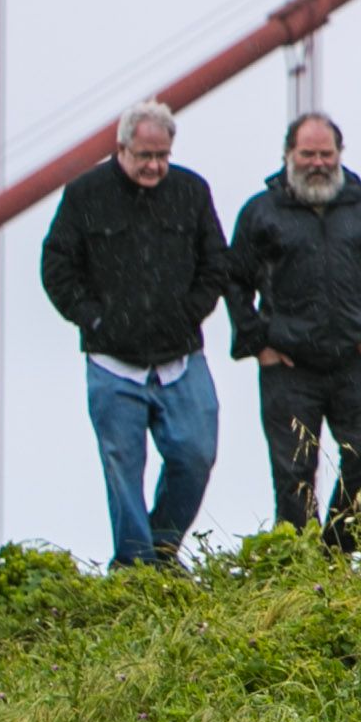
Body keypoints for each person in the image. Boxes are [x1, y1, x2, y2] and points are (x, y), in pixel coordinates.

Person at [36, 98, 227, 569]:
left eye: (162, 156)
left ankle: (160, 550)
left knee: (195, 455)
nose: (155, 166)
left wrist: (191, 313)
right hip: (112, 364)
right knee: (124, 469)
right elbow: (56, 266)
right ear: (122, 149)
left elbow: (216, 262)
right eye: (145, 156)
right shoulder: (85, 194)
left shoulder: (192, 191)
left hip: (180, 357)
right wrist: (94, 319)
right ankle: (136, 567)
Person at [224, 110, 361, 552]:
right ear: (289, 155)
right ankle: (300, 566)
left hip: (354, 361)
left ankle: (338, 553)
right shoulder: (261, 211)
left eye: (326, 154)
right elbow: (233, 280)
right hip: (288, 366)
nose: (317, 163)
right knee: (293, 471)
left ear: (340, 155)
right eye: (307, 154)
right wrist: (258, 342)